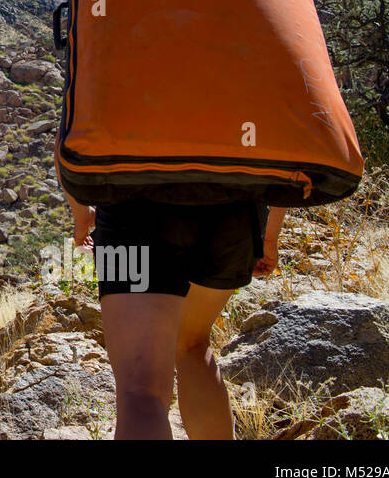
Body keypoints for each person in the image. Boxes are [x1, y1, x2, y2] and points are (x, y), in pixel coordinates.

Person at [66, 185, 284, 440]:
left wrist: (81, 217)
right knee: (193, 344)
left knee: (140, 389)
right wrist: (269, 236)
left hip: (131, 211)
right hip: (234, 211)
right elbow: (289, 155)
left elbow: (67, 148)